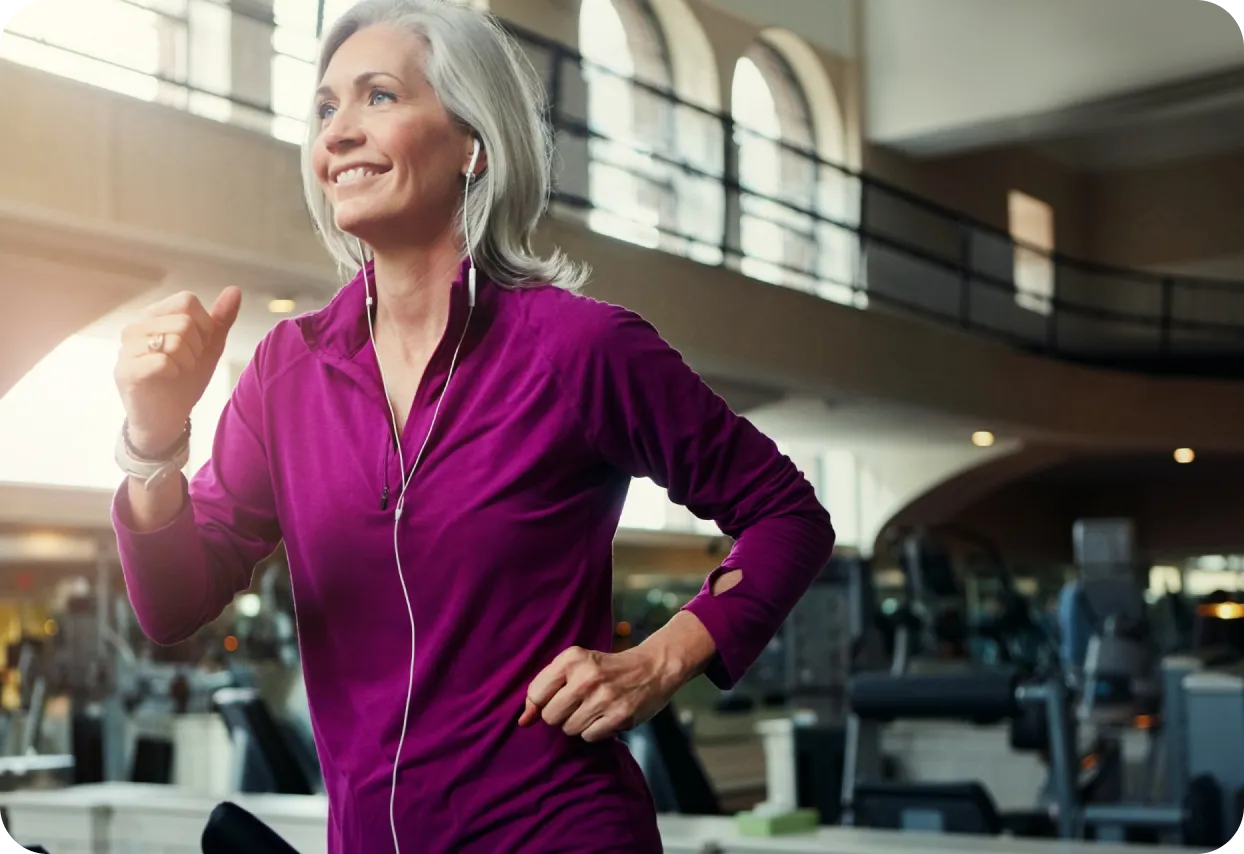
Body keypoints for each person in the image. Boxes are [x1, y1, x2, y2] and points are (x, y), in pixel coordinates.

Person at [109, 0, 835, 851]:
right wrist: (152, 439)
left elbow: (787, 514)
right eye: (326, 107)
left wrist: (662, 659)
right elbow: (172, 604)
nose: (339, 131)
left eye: (379, 96)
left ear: (473, 144)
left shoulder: (579, 349)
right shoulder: (285, 373)